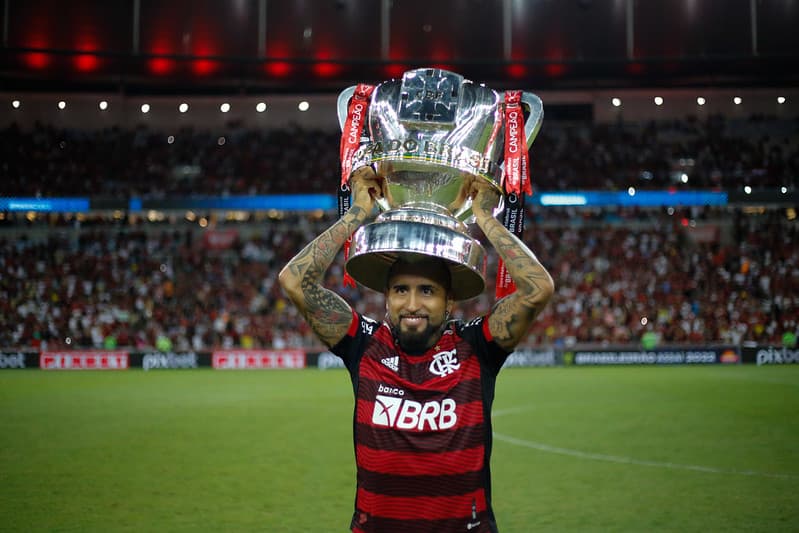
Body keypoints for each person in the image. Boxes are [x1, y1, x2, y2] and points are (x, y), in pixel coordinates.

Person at [278, 166, 554, 533]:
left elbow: (538, 289)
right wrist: (357, 211)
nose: (412, 304)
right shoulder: (364, 344)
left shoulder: (477, 346)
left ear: (448, 301)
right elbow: (294, 281)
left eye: (427, 291)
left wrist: (485, 217)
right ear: (387, 297)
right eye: (400, 290)